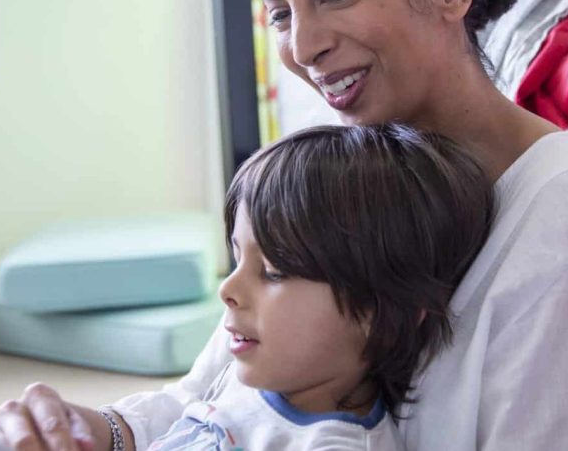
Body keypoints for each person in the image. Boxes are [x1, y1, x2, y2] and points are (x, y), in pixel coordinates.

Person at [0, 0, 568, 449]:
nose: (303, 48)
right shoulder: (340, 173)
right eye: (279, 12)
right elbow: (212, 402)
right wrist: (96, 430)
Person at [145, 124, 491, 450]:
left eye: (272, 271)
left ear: (383, 310)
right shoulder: (250, 378)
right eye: (237, 259)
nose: (228, 289)